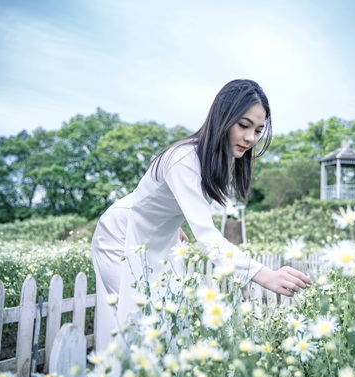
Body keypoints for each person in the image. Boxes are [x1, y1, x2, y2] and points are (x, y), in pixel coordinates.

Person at [92, 79, 313, 352]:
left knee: (164, 323)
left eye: (258, 130)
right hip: (121, 234)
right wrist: (265, 275)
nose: (250, 138)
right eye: (243, 125)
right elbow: (206, 234)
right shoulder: (184, 157)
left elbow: (167, 199)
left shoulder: (213, 158)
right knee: (133, 323)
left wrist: (173, 225)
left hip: (158, 237)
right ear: (223, 117)